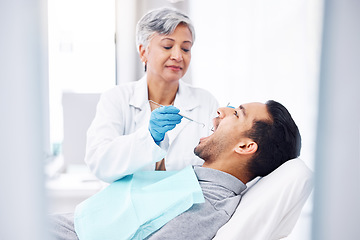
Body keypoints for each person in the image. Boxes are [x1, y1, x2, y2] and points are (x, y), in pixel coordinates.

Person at [50, 100, 301, 240]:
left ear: (246, 146)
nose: (220, 110)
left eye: (236, 113)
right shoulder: (195, 182)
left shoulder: (205, 206)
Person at [85, 7, 218, 183]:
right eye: (167, 46)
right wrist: (149, 137)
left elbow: (218, 165)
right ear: (143, 52)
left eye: (185, 49)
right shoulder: (117, 98)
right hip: (128, 207)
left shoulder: (205, 102)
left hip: (185, 207)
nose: (178, 56)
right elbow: (99, 162)